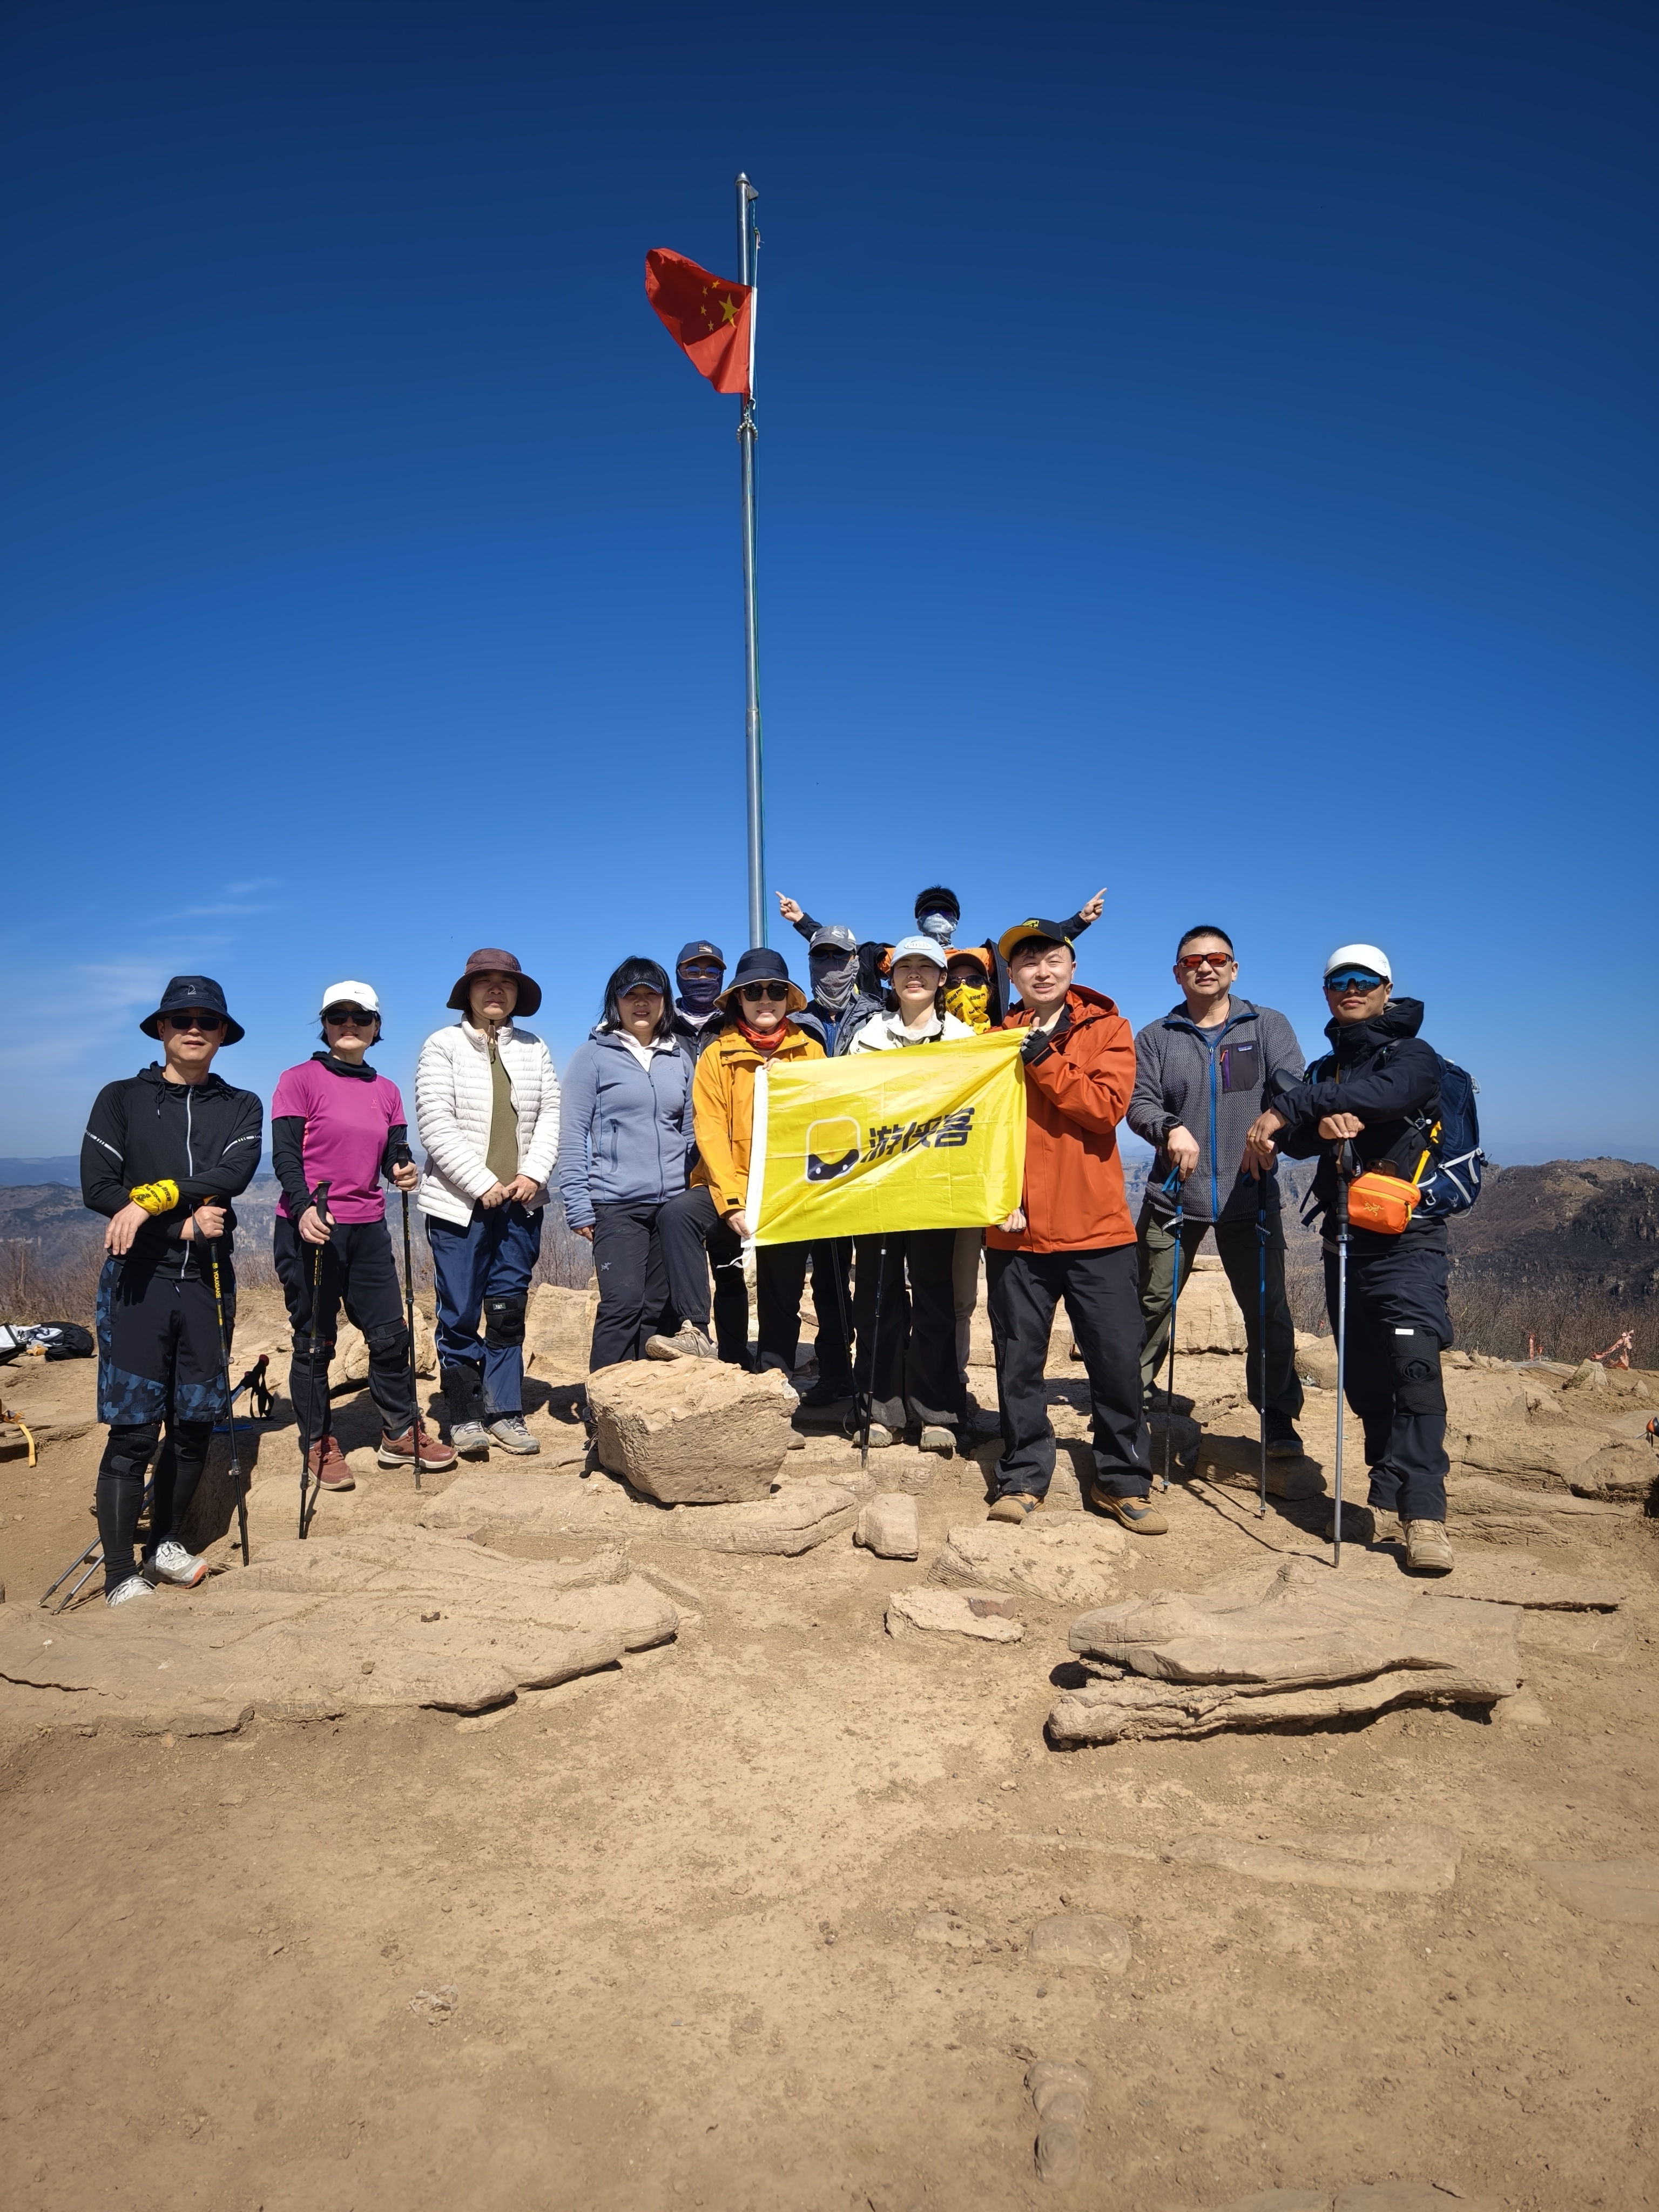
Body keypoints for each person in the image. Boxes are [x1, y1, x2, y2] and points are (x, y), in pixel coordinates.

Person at [1245, 945, 1456, 1574]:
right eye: (1340, 980)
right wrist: (1316, 1121)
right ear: (1327, 991)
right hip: (1343, 1241)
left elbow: (1391, 1094)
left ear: (1387, 989)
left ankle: (1426, 1514)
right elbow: (1298, 1141)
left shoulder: (1413, 1055)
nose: (1352, 988)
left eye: (1365, 980)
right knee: (1365, 1379)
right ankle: (1386, 1489)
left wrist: (1294, 1105)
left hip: (1410, 1242)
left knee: (1414, 1368)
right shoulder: (1325, 1068)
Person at [79, 976, 264, 1604]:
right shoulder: (121, 1099)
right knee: (134, 1432)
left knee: (193, 1426)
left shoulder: (240, 1105)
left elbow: (232, 1173)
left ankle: (164, 1544)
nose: (193, 1029)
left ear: (222, 1034)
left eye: (207, 1021)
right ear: (161, 1029)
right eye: (180, 1019)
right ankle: (118, 1574)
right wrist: (178, 1223)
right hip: (138, 1282)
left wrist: (151, 1198)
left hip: (208, 1283)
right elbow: (97, 1186)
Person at [982, 921, 1158, 1531]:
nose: (1041, 970)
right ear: (1012, 976)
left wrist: (1042, 1058)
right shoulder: (992, 1041)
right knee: (1017, 1362)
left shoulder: (1108, 1030)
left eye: (1052, 958)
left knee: (1115, 1360)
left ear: (1072, 967)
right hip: (1016, 1230)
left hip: (1096, 1230)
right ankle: (1024, 1474)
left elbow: (1105, 1109)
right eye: (1027, 962)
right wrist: (992, 1197)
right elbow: (975, 1129)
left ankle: (1122, 1480)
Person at [1128, 927, 1307, 1458]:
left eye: (1216, 958)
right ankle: (1129, 1400)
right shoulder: (1157, 1037)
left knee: (1268, 1311)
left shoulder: (1267, 1025)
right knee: (1150, 1303)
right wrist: (1168, 1127)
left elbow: (1294, 1087)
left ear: (1234, 968)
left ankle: (1278, 1418)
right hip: (1173, 1197)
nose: (1205, 967)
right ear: (1177, 973)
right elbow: (1138, 1101)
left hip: (1249, 1194)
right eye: (1192, 961)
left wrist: (1275, 1125)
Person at [271, 982, 453, 1494]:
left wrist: (402, 1168)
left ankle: (399, 1432)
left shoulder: (387, 1090)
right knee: (314, 1341)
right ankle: (317, 1441)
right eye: (338, 1016)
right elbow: (285, 1154)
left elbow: (395, 1149)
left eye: (361, 1017)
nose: (349, 1024)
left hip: (368, 1226)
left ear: (376, 1027)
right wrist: (303, 1209)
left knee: (390, 1335)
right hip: (312, 1226)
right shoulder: (298, 1080)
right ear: (325, 1026)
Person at [415, 948, 561, 1458]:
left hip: (521, 1201)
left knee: (506, 1309)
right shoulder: (442, 1046)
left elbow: (551, 1116)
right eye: (485, 981)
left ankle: (505, 1410)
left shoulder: (534, 1048)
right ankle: (465, 1413)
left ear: (518, 994)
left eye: (507, 982)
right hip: (459, 1204)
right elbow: (435, 1122)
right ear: (468, 992)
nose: (496, 990)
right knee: (459, 1310)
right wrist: (481, 1182)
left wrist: (532, 1173)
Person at [657, 947, 824, 1378]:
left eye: (776, 991)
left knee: (781, 1292)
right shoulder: (716, 1055)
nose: (765, 999)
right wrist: (732, 1202)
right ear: (738, 1000)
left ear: (788, 998)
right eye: (753, 991)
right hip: (728, 1185)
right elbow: (710, 1131)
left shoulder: (812, 1053)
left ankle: (775, 1378)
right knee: (680, 1217)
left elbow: (824, 1126)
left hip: (788, 1192)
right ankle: (699, 1331)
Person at [844, 936, 976, 1449]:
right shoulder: (867, 1037)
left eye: (926, 967)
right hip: (878, 1185)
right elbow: (844, 1100)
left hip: (938, 1187)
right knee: (876, 1297)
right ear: (891, 977)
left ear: (942, 978)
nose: (914, 975)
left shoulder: (965, 1038)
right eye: (904, 967)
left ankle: (936, 1410)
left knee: (934, 1297)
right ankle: (880, 1408)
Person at [555, 958, 695, 1368]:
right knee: (622, 1305)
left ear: (665, 1001)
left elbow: (690, 1133)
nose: (641, 1003)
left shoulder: (678, 1057)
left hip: (673, 1208)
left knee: (660, 1309)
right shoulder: (592, 1057)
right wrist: (578, 1205)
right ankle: (603, 1403)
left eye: (651, 994)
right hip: (616, 1204)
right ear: (614, 1002)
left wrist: (694, 1197)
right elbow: (572, 1134)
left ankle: (646, 1401)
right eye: (631, 995)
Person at [791, 922, 887, 1412]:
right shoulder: (795, 1022)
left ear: (855, 962)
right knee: (828, 1279)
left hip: (870, 1166)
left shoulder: (880, 1016)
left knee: (873, 1278)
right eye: (821, 957)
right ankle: (834, 1373)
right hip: (815, 1167)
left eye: (839, 957)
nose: (830, 967)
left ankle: (877, 1377)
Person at [776, 883, 1108, 1024]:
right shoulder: (898, 957)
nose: (938, 917)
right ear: (918, 921)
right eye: (929, 912)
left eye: (946, 912)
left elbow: (1032, 949)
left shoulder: (980, 957)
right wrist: (803, 922)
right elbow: (844, 952)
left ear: (956, 921)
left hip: (975, 1039)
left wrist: (1079, 921)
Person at [666, 940, 748, 1360]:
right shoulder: (660, 1023)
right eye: (692, 970)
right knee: (674, 1252)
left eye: (711, 971)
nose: (702, 978)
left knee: (728, 1264)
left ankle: (735, 1356)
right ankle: (687, 1336)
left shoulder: (736, 1023)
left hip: (725, 1161)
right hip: (671, 1162)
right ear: (678, 974)